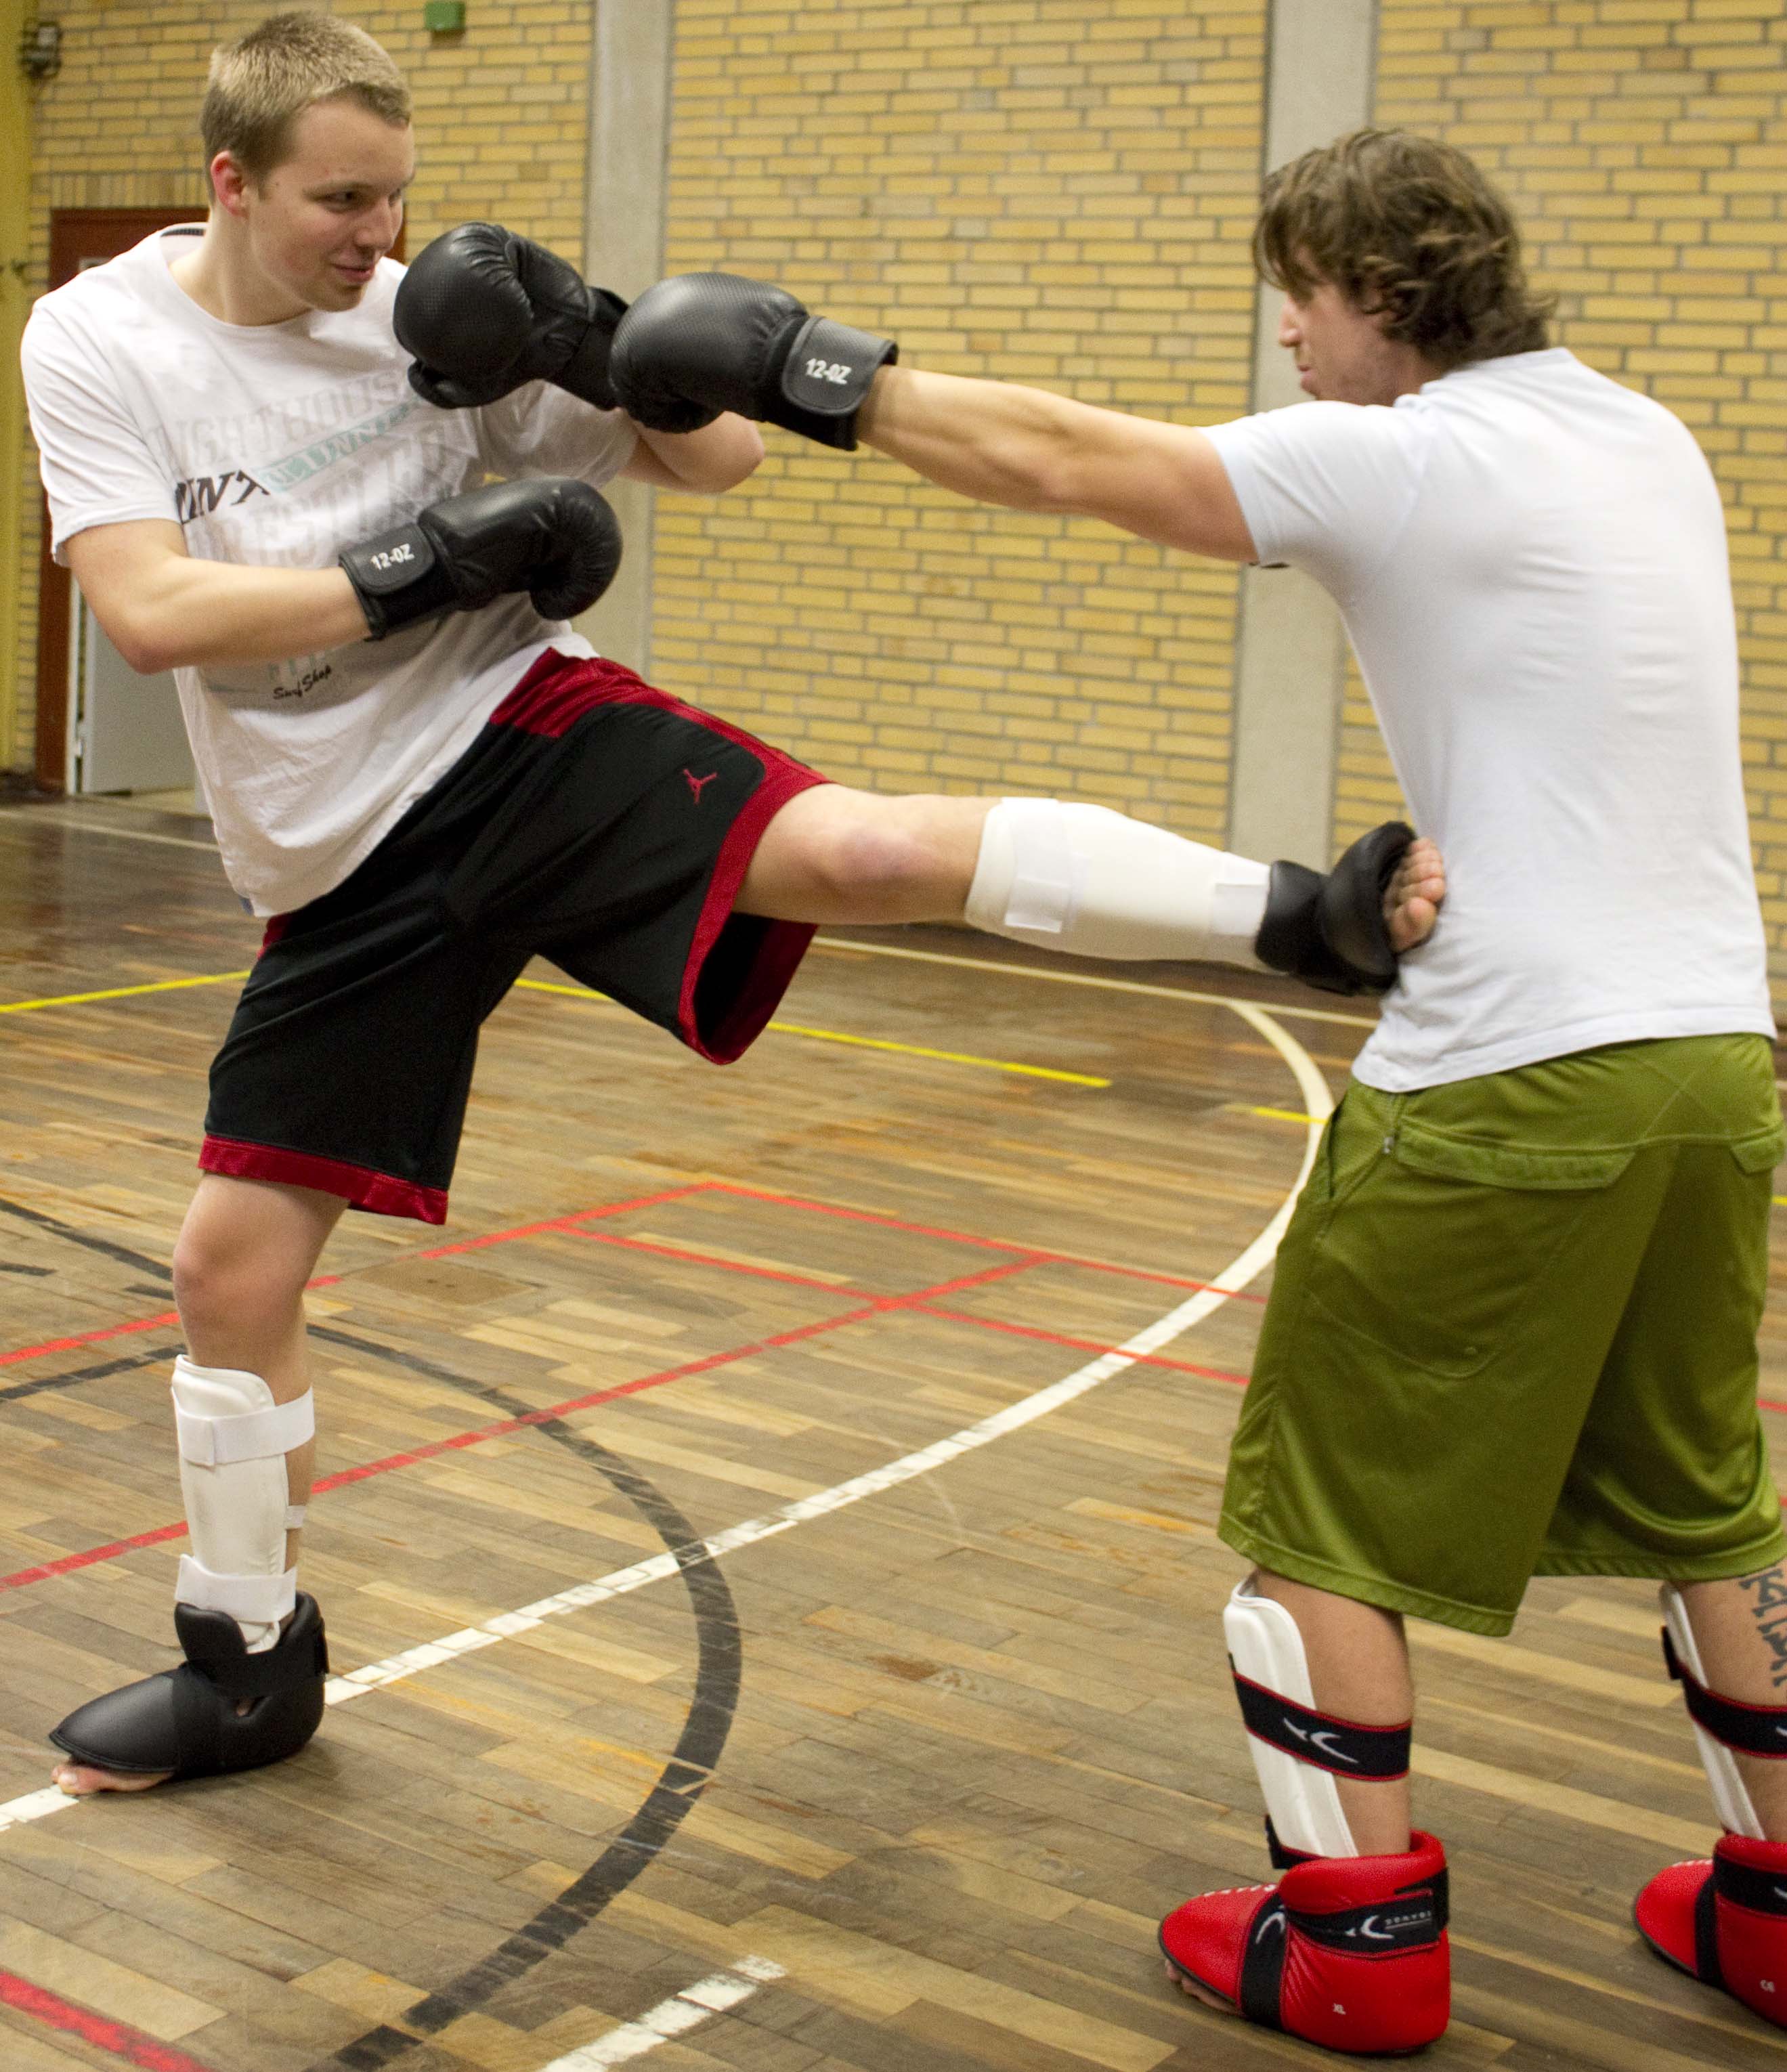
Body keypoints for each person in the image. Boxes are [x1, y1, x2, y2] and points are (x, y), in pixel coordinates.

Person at [19, 21, 1442, 1802]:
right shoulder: (100, 336)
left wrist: (600, 343)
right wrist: (431, 562)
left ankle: (1307, 917)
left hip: (515, 733)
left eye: (398, 190)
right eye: (338, 198)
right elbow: (148, 615)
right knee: (227, 1274)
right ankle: (245, 1668)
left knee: (853, 857)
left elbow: (716, 471)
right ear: (228, 182)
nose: (379, 233)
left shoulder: (422, 314)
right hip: (335, 857)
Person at [561, 128, 1786, 2052]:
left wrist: (814, 369)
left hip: (1506, 1076)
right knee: (1713, 1503)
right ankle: (1778, 1911)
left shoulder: (1400, 453)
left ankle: (1360, 1945)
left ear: (1378, 292)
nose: (1287, 336)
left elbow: (1068, 459)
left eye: (1299, 295)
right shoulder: (1645, 434)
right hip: (1720, 1058)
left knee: (1319, 1524)